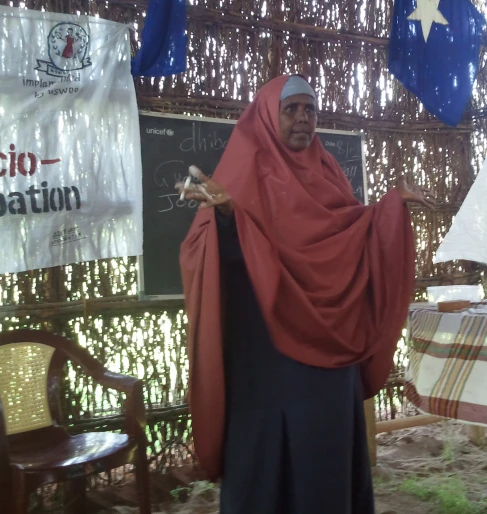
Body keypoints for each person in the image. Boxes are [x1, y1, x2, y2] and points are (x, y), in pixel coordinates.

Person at [178, 74, 435, 514]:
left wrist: (390, 209)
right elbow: (208, 248)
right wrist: (226, 220)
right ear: (268, 114)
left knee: (324, 457)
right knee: (265, 456)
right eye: (291, 109)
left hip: (330, 348)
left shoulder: (328, 169)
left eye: (310, 110)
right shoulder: (241, 170)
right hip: (266, 349)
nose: (302, 119)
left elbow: (350, 230)